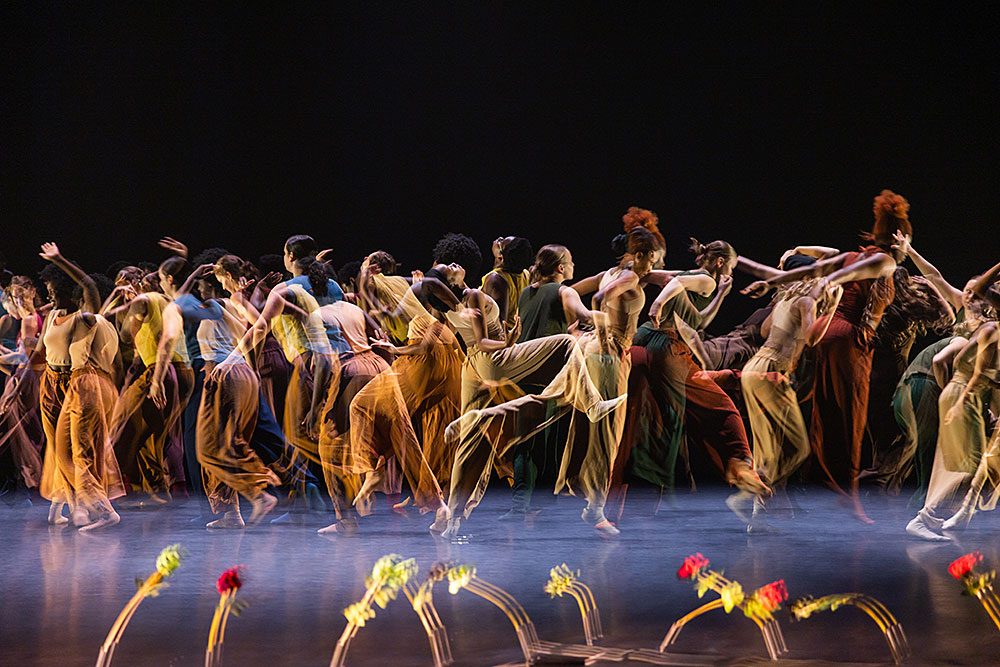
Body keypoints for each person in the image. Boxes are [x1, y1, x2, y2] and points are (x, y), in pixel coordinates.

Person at [742, 189, 910, 522]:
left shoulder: (850, 254)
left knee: (825, 412)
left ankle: (815, 488)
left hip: (826, 336)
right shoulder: (885, 261)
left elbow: (817, 270)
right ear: (898, 239)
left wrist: (772, 280)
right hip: (848, 341)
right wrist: (823, 286)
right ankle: (846, 499)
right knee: (850, 416)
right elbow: (835, 276)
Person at [35, 243, 124, 530]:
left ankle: (89, 507)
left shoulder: (85, 318)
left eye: (54, 290)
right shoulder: (50, 315)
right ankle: (71, 506)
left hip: (74, 382)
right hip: (50, 382)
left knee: (78, 449)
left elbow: (88, 287)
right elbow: (39, 352)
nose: (49, 295)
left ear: (69, 291)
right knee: (59, 448)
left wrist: (60, 259)